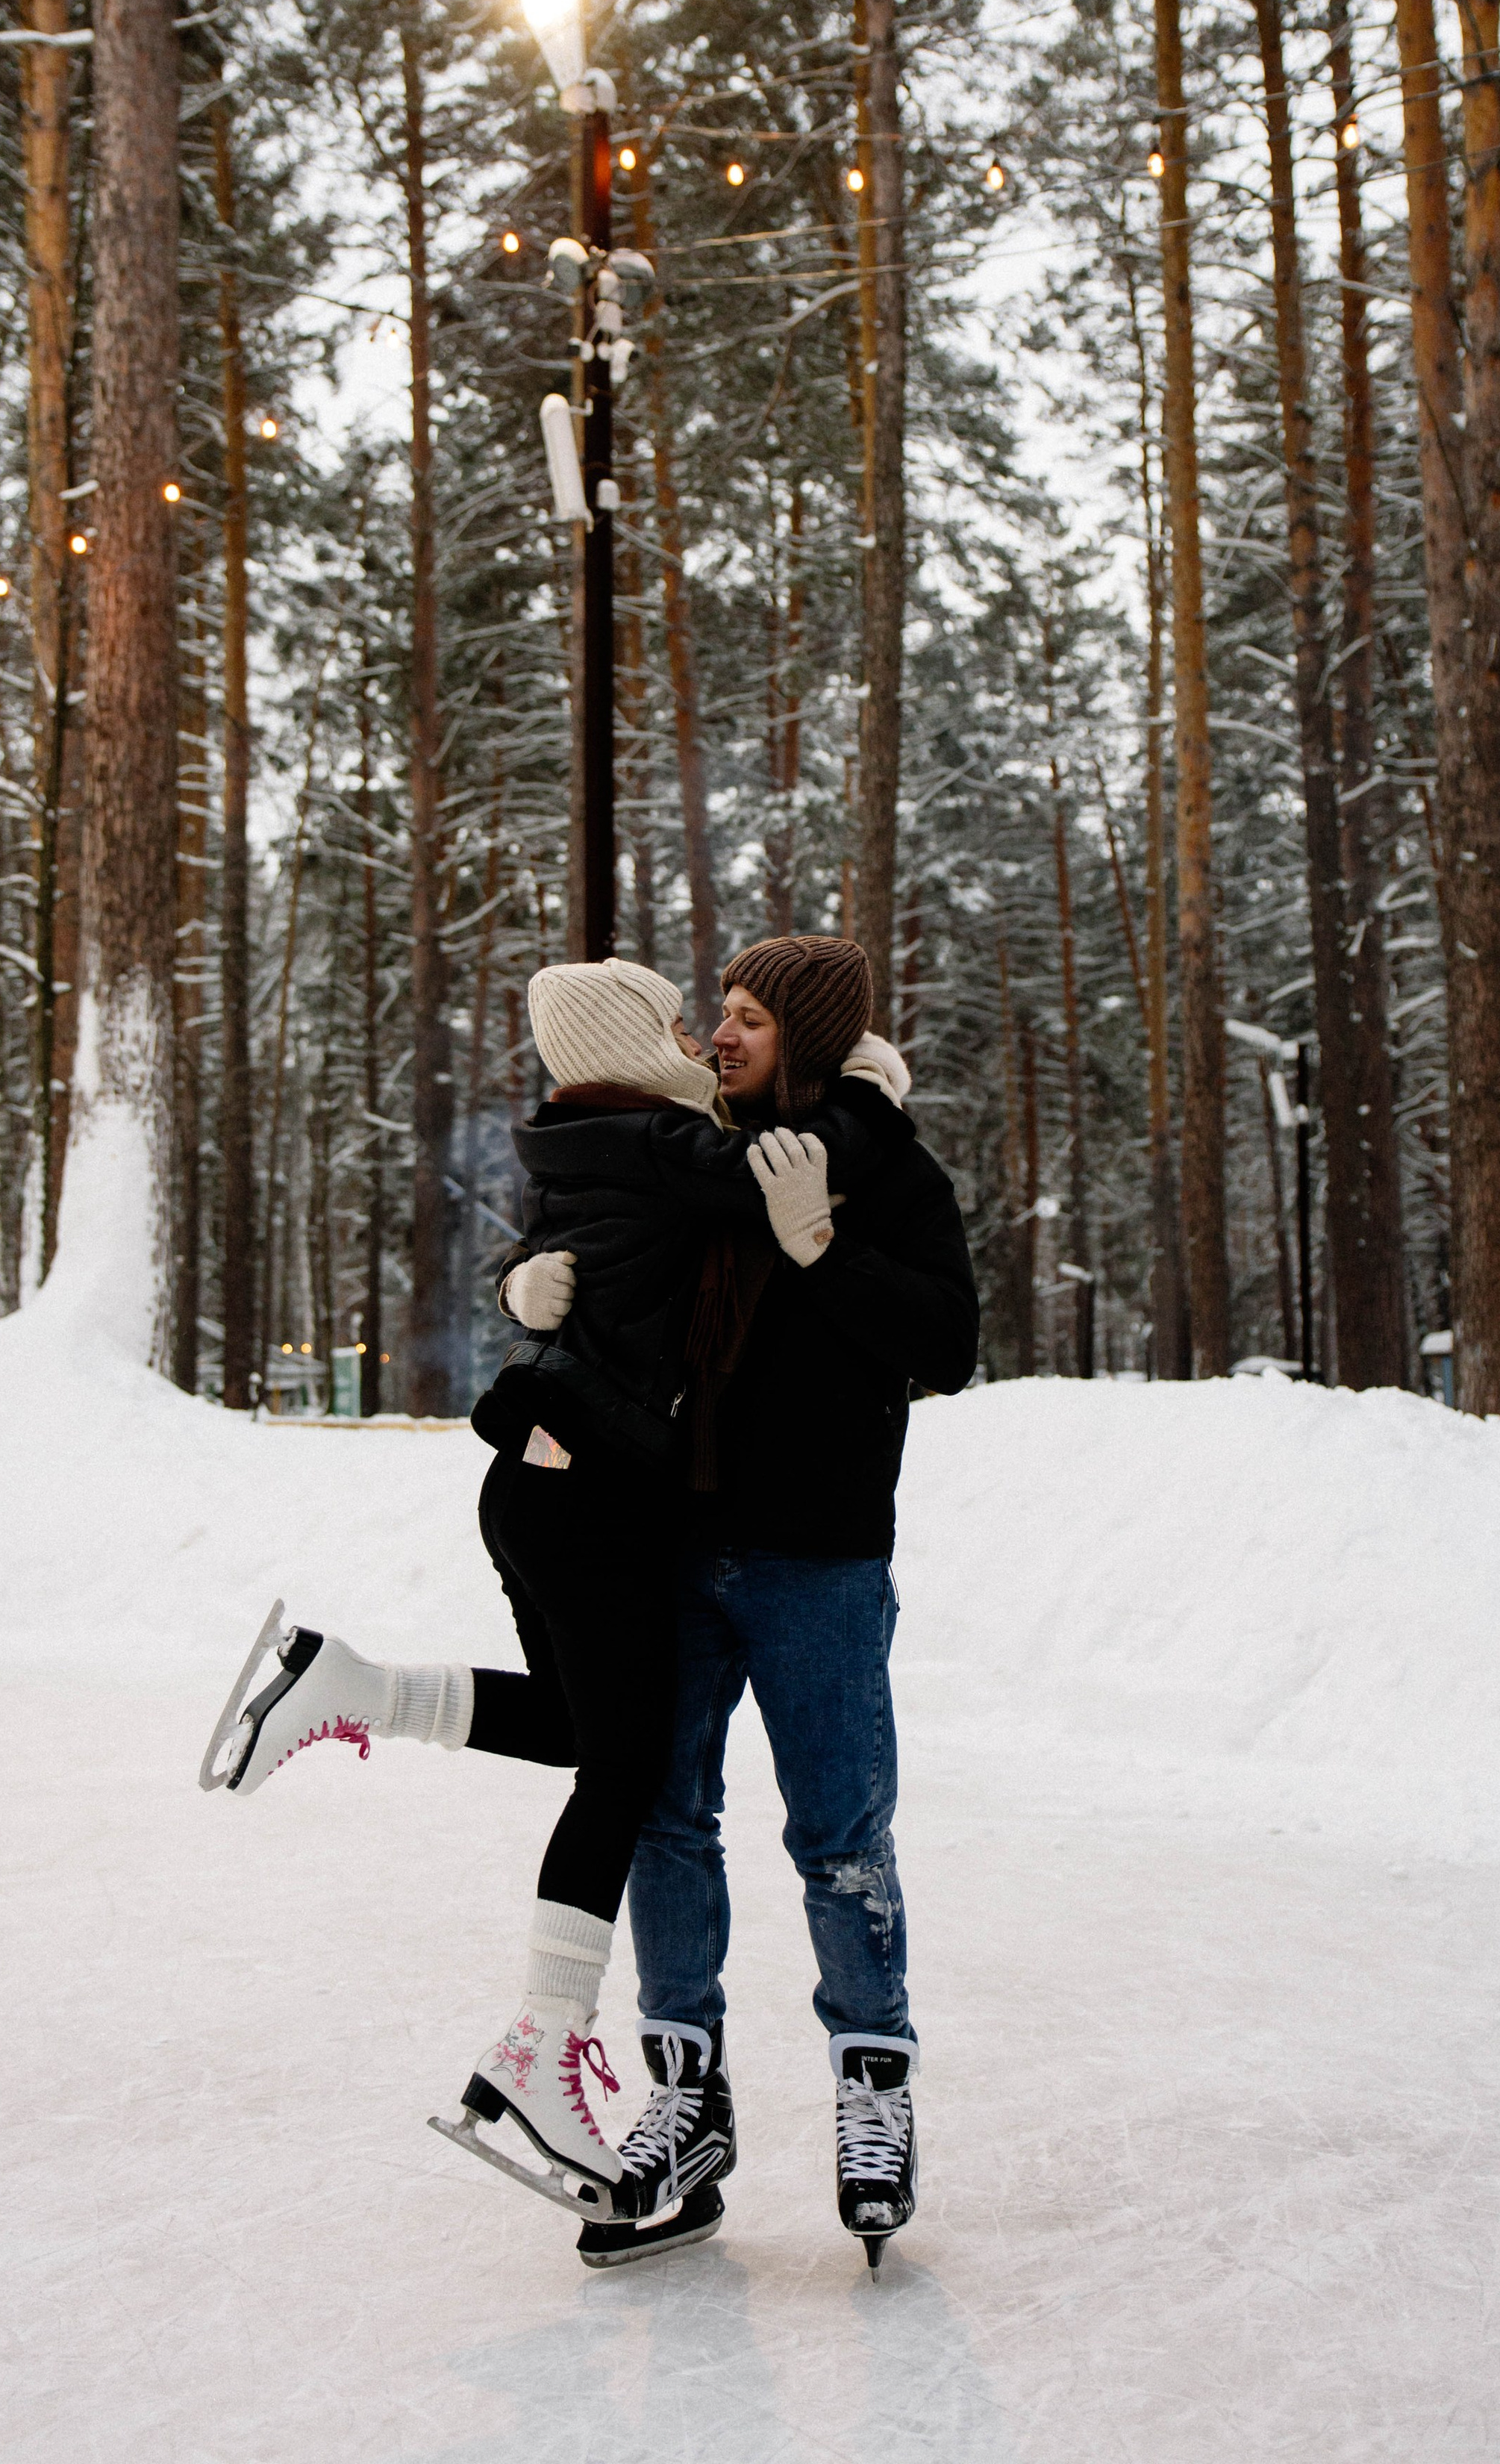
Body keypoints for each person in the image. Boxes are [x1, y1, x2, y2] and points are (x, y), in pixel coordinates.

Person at [198, 955, 899, 2228]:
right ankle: (541, 2043)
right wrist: (873, 1093)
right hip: (587, 1509)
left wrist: (524, 1287)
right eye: (674, 1018)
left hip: (539, 1495)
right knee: (623, 1774)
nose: (698, 1033)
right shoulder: (667, 1141)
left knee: (589, 1735)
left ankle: (356, 1687)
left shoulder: (584, 1138)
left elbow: (623, 1233)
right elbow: (775, 1172)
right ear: (633, 1041)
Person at [593, 935, 978, 2276]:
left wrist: (822, 1248)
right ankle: (685, 2095)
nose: (721, 1035)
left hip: (817, 1559)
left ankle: (874, 2083)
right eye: (722, 1013)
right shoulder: (697, 1159)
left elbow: (950, 1347)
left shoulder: (893, 1175)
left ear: (805, 1040)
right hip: (674, 1551)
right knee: (661, 1815)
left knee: (839, 1834)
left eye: (749, 1018)